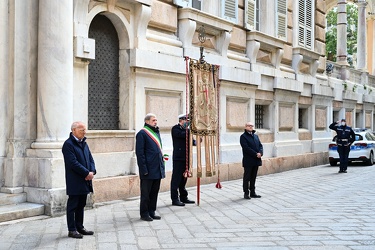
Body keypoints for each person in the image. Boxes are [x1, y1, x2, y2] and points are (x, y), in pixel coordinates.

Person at [62, 121, 96, 239]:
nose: (84, 132)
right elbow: (73, 163)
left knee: (81, 204)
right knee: (73, 205)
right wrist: (86, 173)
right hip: (75, 180)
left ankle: (80, 227)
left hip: (85, 179)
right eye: (82, 130)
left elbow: (90, 159)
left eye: (84, 130)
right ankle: (72, 230)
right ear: (74, 130)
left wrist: (92, 171)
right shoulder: (68, 144)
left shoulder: (84, 143)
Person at [135, 113, 166, 221]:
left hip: (157, 168)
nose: (155, 122)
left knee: (154, 192)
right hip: (148, 169)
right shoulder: (142, 134)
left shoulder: (156, 132)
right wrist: (143, 169)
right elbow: (140, 153)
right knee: (146, 194)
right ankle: (144, 213)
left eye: (156, 120)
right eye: (153, 120)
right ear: (147, 121)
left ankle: (152, 211)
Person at [170, 114, 195, 206]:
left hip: (186, 158)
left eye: (188, 121)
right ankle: (174, 199)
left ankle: (184, 197)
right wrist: (191, 131)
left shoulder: (187, 131)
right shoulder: (175, 129)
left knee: (183, 179)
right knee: (176, 179)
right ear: (181, 120)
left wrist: (197, 141)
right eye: (186, 120)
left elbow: (192, 142)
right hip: (178, 158)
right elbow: (181, 135)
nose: (187, 122)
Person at [240, 122, 263, 199]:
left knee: (253, 177)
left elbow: (260, 145)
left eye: (252, 126)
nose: (250, 127)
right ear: (245, 127)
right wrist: (255, 154)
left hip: (256, 160)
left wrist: (260, 153)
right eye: (249, 126)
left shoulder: (256, 136)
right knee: (247, 177)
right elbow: (246, 148)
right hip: (248, 160)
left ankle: (253, 192)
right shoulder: (243, 137)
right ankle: (246, 193)